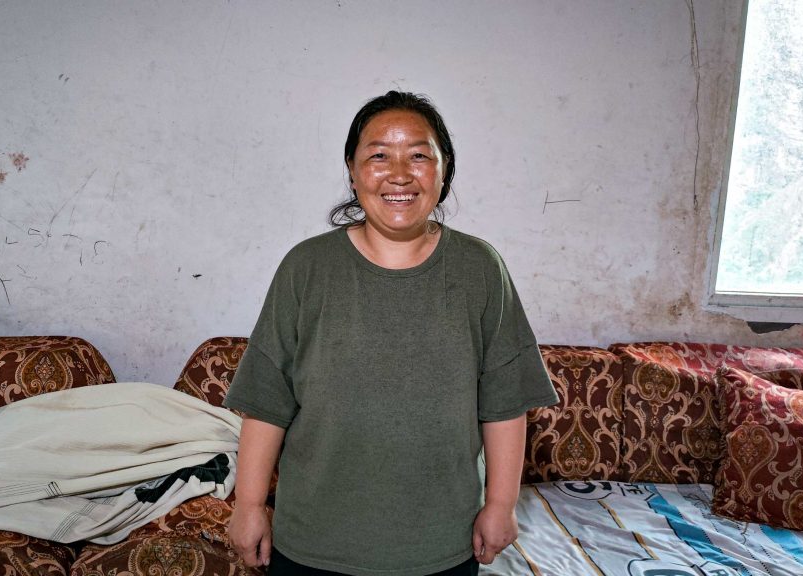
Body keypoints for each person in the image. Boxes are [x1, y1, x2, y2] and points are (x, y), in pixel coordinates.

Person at [224, 91, 558, 576]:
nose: (399, 173)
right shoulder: (307, 267)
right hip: (313, 544)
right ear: (353, 170)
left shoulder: (479, 269)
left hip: (440, 546)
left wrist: (501, 504)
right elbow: (267, 400)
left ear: (444, 172)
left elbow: (505, 402)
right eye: (378, 155)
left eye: (419, 155)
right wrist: (249, 505)